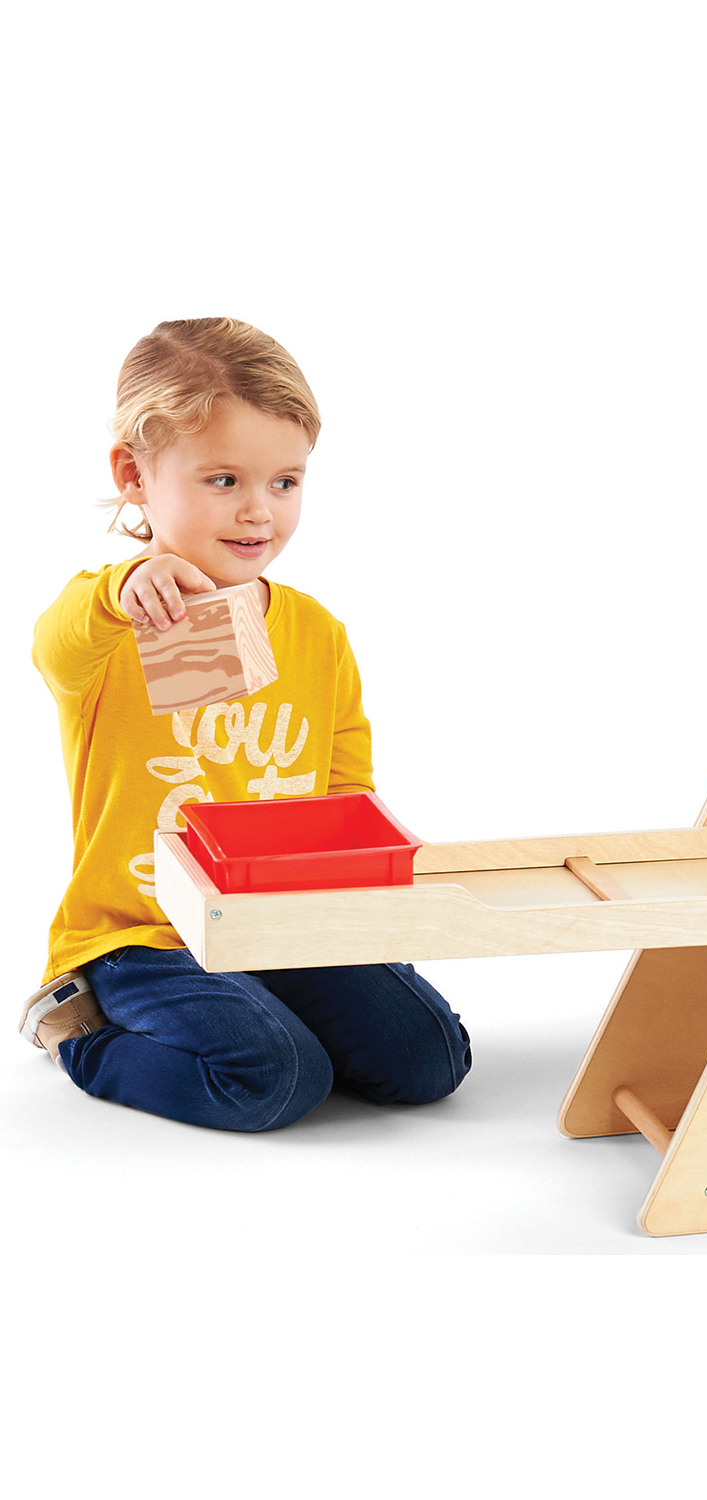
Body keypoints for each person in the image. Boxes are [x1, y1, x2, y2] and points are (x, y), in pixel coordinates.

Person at [21, 318, 472, 1129]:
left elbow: (342, 789)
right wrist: (126, 590)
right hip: (145, 936)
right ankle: (78, 1033)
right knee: (274, 1078)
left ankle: (265, 999)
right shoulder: (110, 625)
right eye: (223, 480)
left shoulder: (316, 632)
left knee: (430, 1059)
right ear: (133, 474)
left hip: (275, 920)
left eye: (285, 482)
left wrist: (358, 914)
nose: (259, 512)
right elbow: (54, 644)